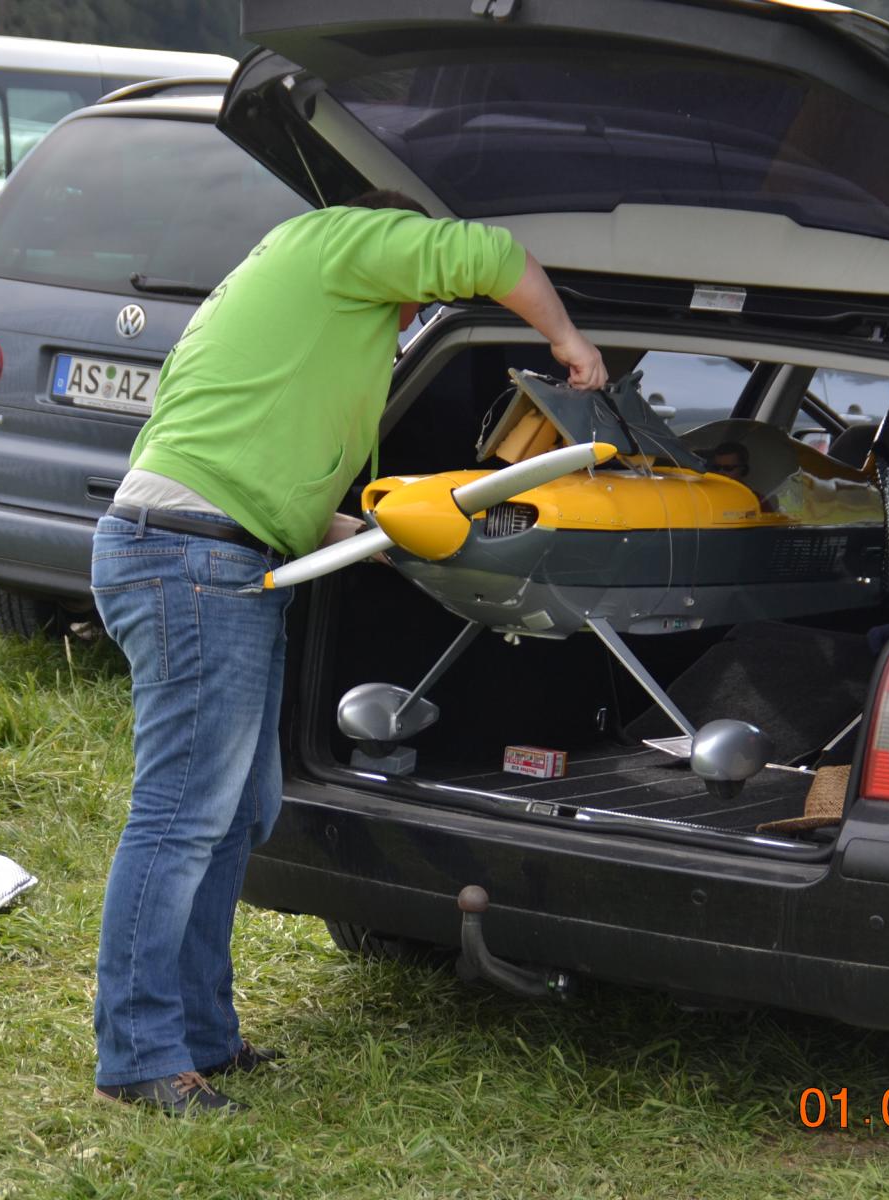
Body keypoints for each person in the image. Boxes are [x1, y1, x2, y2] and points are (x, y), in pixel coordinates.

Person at [89, 190, 607, 1115]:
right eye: (415, 299)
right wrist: (571, 344)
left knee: (237, 810)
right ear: (390, 236)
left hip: (208, 552)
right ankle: (137, 1054)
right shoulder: (338, 240)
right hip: (190, 559)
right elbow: (494, 255)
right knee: (181, 816)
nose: (410, 318)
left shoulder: (293, 288)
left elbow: (259, 480)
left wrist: (379, 534)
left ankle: (202, 1036)